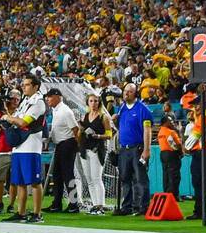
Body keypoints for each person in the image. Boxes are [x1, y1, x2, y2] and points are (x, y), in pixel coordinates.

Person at [2, 74, 46, 223]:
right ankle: (21, 213)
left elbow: (23, 122)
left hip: (31, 146)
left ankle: (37, 213)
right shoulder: (25, 101)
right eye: (23, 84)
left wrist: (8, 118)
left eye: (27, 84)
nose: (24, 87)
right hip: (19, 146)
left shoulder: (38, 102)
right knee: (19, 182)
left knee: (34, 182)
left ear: (35, 86)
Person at [113, 82, 153, 216]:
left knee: (140, 178)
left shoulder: (143, 109)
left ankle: (144, 206)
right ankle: (127, 206)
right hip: (124, 149)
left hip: (137, 148)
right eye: (125, 91)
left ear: (135, 93)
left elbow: (147, 130)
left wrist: (146, 150)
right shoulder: (122, 108)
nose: (126, 93)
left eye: (129, 91)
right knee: (125, 178)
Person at [182, 90, 206, 221]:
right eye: (195, 104)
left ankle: (200, 211)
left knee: (199, 183)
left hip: (205, 153)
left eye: (198, 104)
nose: (196, 107)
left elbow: (195, 135)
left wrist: (185, 147)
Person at [44, 88, 80, 213]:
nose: (47, 99)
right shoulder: (56, 110)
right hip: (60, 144)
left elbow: (75, 129)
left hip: (68, 144)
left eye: (49, 97)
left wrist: (76, 146)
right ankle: (57, 203)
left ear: (57, 96)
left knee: (68, 175)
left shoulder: (65, 111)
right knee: (58, 175)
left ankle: (74, 204)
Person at [77, 92, 113, 215]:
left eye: (96, 101)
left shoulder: (103, 117)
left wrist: (98, 136)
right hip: (85, 149)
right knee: (89, 179)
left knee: (97, 178)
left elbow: (109, 134)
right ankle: (94, 204)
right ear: (88, 102)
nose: (93, 103)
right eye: (91, 101)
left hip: (97, 149)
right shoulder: (84, 116)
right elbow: (80, 133)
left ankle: (100, 205)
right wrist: (81, 130)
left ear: (99, 103)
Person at [157, 110, 184, 202]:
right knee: (174, 175)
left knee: (166, 175)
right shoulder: (170, 132)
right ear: (166, 122)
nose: (172, 123)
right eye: (171, 121)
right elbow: (176, 145)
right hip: (172, 154)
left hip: (163, 154)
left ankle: (167, 194)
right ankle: (173, 196)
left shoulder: (160, 132)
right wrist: (181, 152)